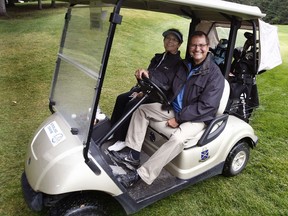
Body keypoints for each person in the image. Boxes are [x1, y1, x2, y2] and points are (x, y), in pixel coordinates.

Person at [111, 31, 225, 187]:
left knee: (177, 139)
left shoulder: (214, 74)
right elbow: (166, 81)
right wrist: (148, 76)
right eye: (194, 45)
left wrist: (179, 119)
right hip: (174, 108)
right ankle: (133, 154)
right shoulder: (186, 65)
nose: (197, 49)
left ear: (208, 47)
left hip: (196, 117)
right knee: (141, 110)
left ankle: (142, 175)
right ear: (189, 47)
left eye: (201, 45)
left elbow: (207, 106)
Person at [108, 28, 183, 151]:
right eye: (168, 38)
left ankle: (122, 139)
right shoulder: (158, 57)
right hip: (147, 90)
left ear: (179, 45)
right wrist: (139, 89)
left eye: (174, 40)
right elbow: (148, 75)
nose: (170, 41)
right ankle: (114, 129)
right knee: (121, 98)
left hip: (160, 96)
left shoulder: (178, 64)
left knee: (132, 104)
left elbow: (166, 83)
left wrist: (145, 89)